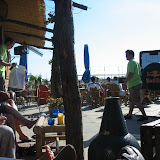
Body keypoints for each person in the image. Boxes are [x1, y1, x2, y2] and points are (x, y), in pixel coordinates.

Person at [123, 50, 148, 121]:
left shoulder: (131, 62)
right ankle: (130, 114)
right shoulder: (136, 62)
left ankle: (144, 115)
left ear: (131, 55)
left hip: (134, 84)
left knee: (136, 100)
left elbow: (130, 73)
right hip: (136, 83)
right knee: (131, 100)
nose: (126, 56)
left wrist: (125, 82)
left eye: (127, 55)